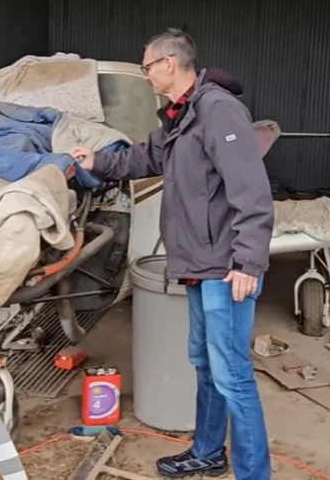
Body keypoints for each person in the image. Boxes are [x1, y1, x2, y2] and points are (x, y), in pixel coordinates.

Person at [71, 28, 275, 480]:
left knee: (233, 376)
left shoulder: (218, 110)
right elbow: (145, 158)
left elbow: (252, 191)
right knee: (206, 365)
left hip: (226, 268)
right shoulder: (182, 116)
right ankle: (207, 451)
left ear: (168, 63)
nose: (145, 77)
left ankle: (254, 474)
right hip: (200, 265)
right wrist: (97, 162)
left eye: (146, 67)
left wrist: (247, 261)